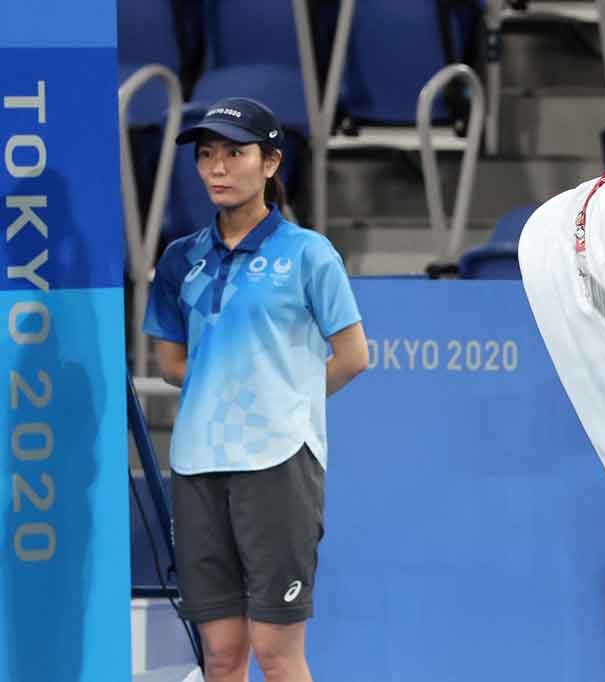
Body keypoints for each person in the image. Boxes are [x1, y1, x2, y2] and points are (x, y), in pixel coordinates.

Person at [143, 97, 369, 682]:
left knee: (276, 652)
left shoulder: (308, 253)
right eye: (206, 154)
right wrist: (226, 383)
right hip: (197, 464)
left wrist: (284, 399)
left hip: (278, 464)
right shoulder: (179, 259)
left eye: (234, 153)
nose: (216, 168)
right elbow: (171, 362)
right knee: (221, 656)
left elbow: (354, 357)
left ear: (270, 163)